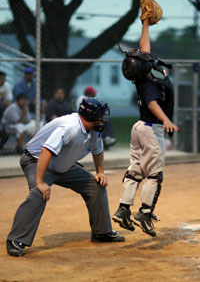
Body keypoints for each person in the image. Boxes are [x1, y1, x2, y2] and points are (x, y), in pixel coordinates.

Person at [6, 97, 125, 257]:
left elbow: (98, 151)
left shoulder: (94, 130)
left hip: (63, 165)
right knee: (38, 193)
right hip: (37, 161)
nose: (102, 120)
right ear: (88, 115)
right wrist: (40, 182)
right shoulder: (70, 127)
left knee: (95, 185)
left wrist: (100, 172)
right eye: (99, 116)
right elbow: (46, 151)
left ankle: (102, 232)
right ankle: (16, 239)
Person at [112, 7, 179, 237]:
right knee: (154, 174)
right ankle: (145, 213)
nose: (142, 55)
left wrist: (145, 24)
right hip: (152, 129)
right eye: (140, 58)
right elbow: (152, 104)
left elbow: (144, 50)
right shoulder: (149, 83)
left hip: (139, 128)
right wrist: (166, 119)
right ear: (142, 66)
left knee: (135, 170)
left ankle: (123, 209)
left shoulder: (143, 74)